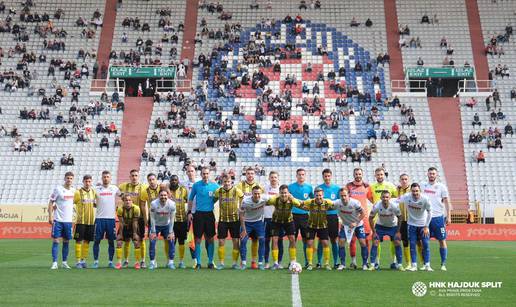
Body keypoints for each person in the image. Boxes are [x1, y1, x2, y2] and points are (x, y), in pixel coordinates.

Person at [187, 167, 220, 269]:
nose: (205, 175)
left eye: (207, 173)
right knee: (197, 239)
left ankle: (210, 261)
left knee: (210, 239)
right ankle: (198, 263)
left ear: (209, 174)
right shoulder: (196, 185)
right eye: (203, 174)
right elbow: (191, 199)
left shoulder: (215, 186)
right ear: (201, 174)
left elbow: (218, 197)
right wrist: (189, 212)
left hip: (209, 214)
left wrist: (211, 203)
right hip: (198, 215)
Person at [296, 188, 334, 270]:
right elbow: (301, 203)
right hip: (311, 226)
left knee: (325, 243)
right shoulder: (310, 202)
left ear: (323, 195)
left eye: (320, 195)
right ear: (314, 195)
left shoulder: (327, 202)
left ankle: (327, 263)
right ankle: (310, 263)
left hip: (323, 226)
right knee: (309, 243)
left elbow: (335, 206)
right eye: (317, 195)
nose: (318, 197)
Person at [367, 167, 398, 269]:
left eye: (381, 174)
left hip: (389, 216)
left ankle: (394, 261)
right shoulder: (372, 187)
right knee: (376, 240)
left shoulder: (390, 185)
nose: (379, 176)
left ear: (384, 175)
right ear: (375, 176)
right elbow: (370, 197)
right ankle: (377, 262)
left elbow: (395, 196)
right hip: (377, 216)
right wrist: (376, 204)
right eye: (378, 175)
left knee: (394, 240)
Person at [421, 167, 451, 271]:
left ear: (436, 175)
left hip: (438, 218)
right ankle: (426, 263)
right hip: (425, 218)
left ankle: (443, 264)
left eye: (433, 173)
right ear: (427, 174)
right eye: (430, 173)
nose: (432, 175)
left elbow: (446, 202)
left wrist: (449, 215)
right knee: (424, 242)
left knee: (442, 241)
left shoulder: (441, 187)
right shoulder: (422, 185)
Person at [265, 185, 301, 269]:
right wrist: (275, 196)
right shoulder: (275, 199)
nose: (284, 195)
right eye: (282, 193)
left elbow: (298, 204)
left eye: (285, 193)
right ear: (279, 193)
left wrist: (292, 198)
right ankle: (275, 263)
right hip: (276, 221)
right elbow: (267, 202)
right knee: (274, 240)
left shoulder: (291, 199)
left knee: (292, 239)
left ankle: (293, 261)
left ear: (288, 193)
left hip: (288, 221)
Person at [399, 183, 433, 271]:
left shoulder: (425, 199)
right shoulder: (406, 197)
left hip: (423, 225)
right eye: (413, 191)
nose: (415, 193)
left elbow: (430, 212)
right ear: (411, 191)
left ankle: (427, 265)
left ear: (420, 191)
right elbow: (396, 200)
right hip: (411, 225)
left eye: (417, 191)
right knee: (412, 244)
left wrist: (426, 226)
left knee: (425, 244)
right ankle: (414, 265)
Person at [332, 188, 368, 270]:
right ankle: (343, 264)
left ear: (348, 195)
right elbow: (329, 205)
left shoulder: (355, 203)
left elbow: (363, 213)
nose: (343, 197)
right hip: (345, 225)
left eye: (345, 195)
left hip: (358, 225)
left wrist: (356, 222)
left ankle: (365, 264)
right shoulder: (337, 203)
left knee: (362, 242)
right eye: (341, 196)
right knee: (341, 242)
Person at [213, 174, 244, 269]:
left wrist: (241, 208)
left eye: (228, 181)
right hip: (223, 220)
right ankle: (221, 263)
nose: (226, 183)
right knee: (221, 241)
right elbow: (214, 200)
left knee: (235, 241)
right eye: (225, 182)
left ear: (231, 182)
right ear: (222, 182)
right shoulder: (219, 191)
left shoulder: (237, 190)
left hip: (235, 220)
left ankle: (234, 263)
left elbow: (242, 198)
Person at [119, 169, 148, 268]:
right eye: (132, 175)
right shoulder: (124, 186)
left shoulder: (144, 187)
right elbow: (116, 190)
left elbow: (145, 204)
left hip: (139, 218)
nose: (134, 177)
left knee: (141, 239)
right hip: (127, 218)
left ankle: (143, 261)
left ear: (138, 176)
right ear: (130, 177)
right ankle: (126, 261)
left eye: (136, 175)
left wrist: (146, 219)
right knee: (126, 240)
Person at [235, 167, 264, 269]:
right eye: (248, 173)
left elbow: (262, 199)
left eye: (252, 173)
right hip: (245, 217)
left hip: (256, 218)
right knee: (243, 239)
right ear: (245, 174)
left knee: (256, 240)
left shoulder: (259, 186)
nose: (250, 175)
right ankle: (243, 262)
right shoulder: (239, 185)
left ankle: (254, 262)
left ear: (254, 174)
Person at [368, 191, 403, 270]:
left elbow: (400, 217)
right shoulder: (377, 205)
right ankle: (373, 265)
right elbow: (370, 218)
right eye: (383, 197)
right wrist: (373, 232)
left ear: (389, 198)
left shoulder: (394, 206)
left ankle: (399, 264)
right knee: (375, 242)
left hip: (393, 226)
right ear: (381, 198)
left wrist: (398, 231)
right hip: (380, 226)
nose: (385, 199)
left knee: (397, 242)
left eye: (387, 197)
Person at [93, 170, 120, 268]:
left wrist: (118, 207)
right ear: (102, 178)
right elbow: (91, 201)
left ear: (110, 178)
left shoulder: (114, 188)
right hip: (99, 219)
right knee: (97, 240)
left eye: (107, 177)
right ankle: (96, 261)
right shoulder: (96, 189)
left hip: (110, 219)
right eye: (104, 177)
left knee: (111, 241)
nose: (106, 178)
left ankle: (110, 262)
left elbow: (124, 196)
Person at [49, 172, 76, 269]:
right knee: (56, 240)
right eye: (68, 178)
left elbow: (75, 204)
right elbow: (51, 202)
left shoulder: (74, 191)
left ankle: (64, 262)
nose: (69, 180)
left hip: (68, 221)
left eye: (71, 178)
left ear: (73, 180)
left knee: (66, 241)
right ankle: (55, 262)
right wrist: (50, 216)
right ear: (64, 179)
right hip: (58, 220)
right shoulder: (58, 189)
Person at [345, 168, 370, 269]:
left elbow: (372, 199)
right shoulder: (349, 186)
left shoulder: (367, 187)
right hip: (351, 218)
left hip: (363, 218)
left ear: (362, 175)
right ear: (353, 175)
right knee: (352, 240)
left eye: (360, 174)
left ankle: (366, 261)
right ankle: (353, 262)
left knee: (366, 240)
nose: (358, 175)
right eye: (356, 174)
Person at [288, 168, 314, 267]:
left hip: (305, 216)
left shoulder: (309, 187)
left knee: (306, 240)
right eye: (299, 174)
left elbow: (312, 200)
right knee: (292, 239)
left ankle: (308, 261)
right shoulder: (290, 187)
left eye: (303, 174)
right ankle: (292, 261)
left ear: (305, 175)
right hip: (293, 216)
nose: (301, 176)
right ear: (296, 175)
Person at [239, 186, 269, 270]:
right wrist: (244, 229)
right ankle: (244, 263)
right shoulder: (245, 201)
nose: (257, 195)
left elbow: (276, 197)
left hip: (258, 222)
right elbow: (241, 215)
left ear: (261, 194)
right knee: (243, 240)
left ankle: (260, 263)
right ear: (252, 194)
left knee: (262, 240)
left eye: (258, 193)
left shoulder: (265, 198)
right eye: (255, 193)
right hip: (247, 222)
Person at [316, 169, 340, 269]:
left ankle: (336, 262)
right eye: (325, 176)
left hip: (333, 217)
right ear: (323, 177)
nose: (327, 178)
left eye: (328, 176)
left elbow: (339, 203)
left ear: (331, 176)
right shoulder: (319, 188)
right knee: (322, 240)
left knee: (334, 240)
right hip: (322, 217)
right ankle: (319, 262)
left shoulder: (337, 188)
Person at [73, 175, 97, 268]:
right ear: (83, 181)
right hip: (80, 221)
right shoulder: (78, 192)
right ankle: (78, 261)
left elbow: (95, 204)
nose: (88, 183)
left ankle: (83, 260)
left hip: (91, 221)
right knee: (78, 241)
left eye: (89, 181)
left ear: (91, 182)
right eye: (86, 181)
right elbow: (71, 204)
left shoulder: (94, 192)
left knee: (87, 241)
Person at [149, 189, 176, 270]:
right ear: (158, 196)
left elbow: (172, 219)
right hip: (156, 225)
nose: (163, 197)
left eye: (165, 195)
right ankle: (152, 263)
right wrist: (153, 231)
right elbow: (152, 218)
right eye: (161, 195)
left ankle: (170, 262)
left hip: (166, 225)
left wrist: (171, 232)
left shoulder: (172, 204)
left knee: (171, 241)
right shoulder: (153, 204)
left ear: (167, 196)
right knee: (152, 242)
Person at [115, 194, 142, 269]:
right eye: (126, 200)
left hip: (134, 226)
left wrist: (134, 233)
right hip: (124, 226)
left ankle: (137, 263)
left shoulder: (136, 208)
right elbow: (121, 222)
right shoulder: (120, 209)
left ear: (132, 201)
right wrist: (120, 234)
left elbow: (135, 222)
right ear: (123, 201)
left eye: (129, 200)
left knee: (136, 242)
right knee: (119, 242)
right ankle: (120, 262)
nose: (128, 201)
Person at [168, 175, 189, 268]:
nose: (174, 181)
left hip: (182, 220)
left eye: (175, 180)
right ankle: (171, 261)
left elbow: (189, 201)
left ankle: (181, 261)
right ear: (170, 181)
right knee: (172, 241)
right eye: (172, 180)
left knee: (181, 241)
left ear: (178, 181)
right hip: (170, 221)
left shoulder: (183, 190)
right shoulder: (166, 190)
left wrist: (188, 213)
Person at [263, 171, 283, 269]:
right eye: (272, 177)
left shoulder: (282, 190)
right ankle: (266, 262)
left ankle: (279, 262)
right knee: (266, 240)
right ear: (269, 178)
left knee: (279, 241)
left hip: (279, 219)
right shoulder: (265, 188)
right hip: (267, 218)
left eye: (275, 177)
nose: (273, 179)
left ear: (278, 178)